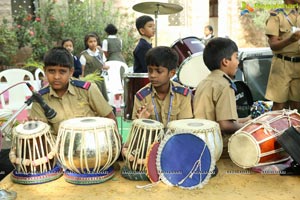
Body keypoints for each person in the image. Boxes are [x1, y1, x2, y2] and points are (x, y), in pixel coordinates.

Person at [29, 47, 117, 136]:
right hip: (57, 148)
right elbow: (39, 137)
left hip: (91, 145)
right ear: (45, 71)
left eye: (62, 72)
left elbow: (109, 118)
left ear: (71, 72)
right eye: (51, 71)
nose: (56, 77)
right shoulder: (40, 99)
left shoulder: (87, 90)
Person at [193, 37, 251, 157]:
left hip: (199, 140)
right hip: (216, 144)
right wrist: (248, 126)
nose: (238, 62)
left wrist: (246, 120)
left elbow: (214, 119)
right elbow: (225, 125)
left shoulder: (204, 82)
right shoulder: (225, 85)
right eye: (236, 57)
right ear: (225, 61)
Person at [132, 46, 193, 127]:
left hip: (175, 139)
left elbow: (184, 128)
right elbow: (137, 133)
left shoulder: (182, 95)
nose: (153, 75)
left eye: (159, 71)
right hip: (151, 139)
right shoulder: (142, 96)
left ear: (172, 73)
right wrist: (141, 122)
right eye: (150, 70)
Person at [265, 0, 300, 111]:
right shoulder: (276, 15)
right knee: (279, 107)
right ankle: (277, 128)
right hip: (282, 65)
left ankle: (295, 128)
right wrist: (290, 40)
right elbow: (273, 45)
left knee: (297, 106)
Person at [79, 32, 109, 101]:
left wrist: (106, 67)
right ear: (87, 43)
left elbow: (103, 65)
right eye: (90, 41)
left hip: (100, 80)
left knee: (102, 100)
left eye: (95, 41)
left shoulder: (100, 53)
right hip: (90, 81)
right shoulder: (84, 55)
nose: (93, 43)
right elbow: (82, 71)